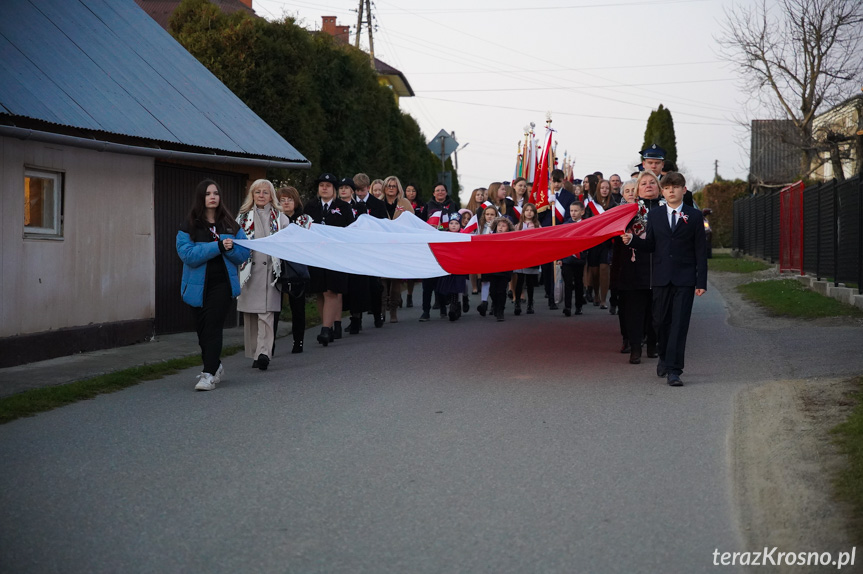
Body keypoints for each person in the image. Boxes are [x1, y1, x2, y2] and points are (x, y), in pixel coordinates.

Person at [622, 171, 707, 386]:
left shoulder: (695, 217)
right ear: (663, 191)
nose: (671, 191)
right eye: (667, 188)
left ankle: (674, 369)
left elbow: (700, 252)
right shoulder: (656, 215)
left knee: (679, 324)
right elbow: (650, 244)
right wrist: (632, 240)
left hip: (685, 279)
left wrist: (701, 282)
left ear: (683, 190)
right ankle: (663, 355)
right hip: (660, 277)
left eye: (675, 187)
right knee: (660, 322)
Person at [177, 179, 250, 391]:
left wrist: (230, 250)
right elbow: (188, 255)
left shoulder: (231, 225)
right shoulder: (189, 225)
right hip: (197, 287)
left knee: (212, 327)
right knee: (202, 331)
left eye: (216, 193)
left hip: (223, 285)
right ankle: (215, 366)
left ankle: (208, 373)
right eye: (208, 193)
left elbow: (243, 254)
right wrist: (217, 246)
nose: (213, 197)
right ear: (201, 197)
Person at [236, 179, 289, 370]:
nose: (261, 195)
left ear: (271, 196)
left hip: (270, 272)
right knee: (251, 315)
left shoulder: (280, 217)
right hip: (249, 272)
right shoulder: (242, 217)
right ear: (252, 194)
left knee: (266, 314)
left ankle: (264, 352)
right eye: (257, 192)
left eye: (265, 192)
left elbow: (288, 239)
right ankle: (255, 353)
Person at [304, 173, 355, 345]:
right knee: (320, 291)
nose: (324, 188)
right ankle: (328, 325)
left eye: (328, 185)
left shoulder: (343, 207)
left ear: (334, 189)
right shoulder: (310, 207)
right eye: (321, 185)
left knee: (331, 291)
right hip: (316, 255)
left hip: (336, 255)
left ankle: (325, 330)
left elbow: (350, 231)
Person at [275, 186, 309, 354]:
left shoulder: (304, 219)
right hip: (276, 267)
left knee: (298, 306)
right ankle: (269, 345)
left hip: (296, 268)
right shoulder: (273, 219)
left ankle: (298, 341)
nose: (286, 202)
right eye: (282, 200)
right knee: (274, 307)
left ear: (296, 202)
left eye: (289, 199)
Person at [419, 182, 459, 321]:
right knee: (427, 283)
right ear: (433, 193)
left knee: (442, 281)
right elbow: (421, 224)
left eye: (443, 190)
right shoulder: (428, 206)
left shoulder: (452, 205)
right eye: (437, 190)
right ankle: (425, 311)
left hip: (446, 247)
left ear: (446, 192)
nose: (440, 192)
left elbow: (458, 223)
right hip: (430, 247)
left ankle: (443, 308)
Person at [353, 173, 387, 328]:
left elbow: (382, 225)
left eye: (362, 190)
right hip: (355, 250)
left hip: (372, 249)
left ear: (368, 188)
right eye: (357, 190)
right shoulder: (349, 204)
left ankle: (377, 314)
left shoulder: (377, 204)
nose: (359, 193)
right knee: (356, 285)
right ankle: (356, 318)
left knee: (374, 284)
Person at [380, 175, 414, 322]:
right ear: (384, 188)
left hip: (398, 247)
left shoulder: (404, 203)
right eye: (389, 186)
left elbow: (412, 222)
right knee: (381, 280)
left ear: (398, 188)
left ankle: (393, 310)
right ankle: (381, 311)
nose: (391, 188)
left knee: (395, 280)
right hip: (381, 247)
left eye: (394, 186)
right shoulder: (378, 203)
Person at [540, 169, 575, 308]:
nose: (556, 184)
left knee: (561, 267)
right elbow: (539, 217)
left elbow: (569, 217)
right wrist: (547, 206)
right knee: (548, 267)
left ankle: (561, 297)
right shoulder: (545, 196)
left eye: (558, 181)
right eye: (553, 181)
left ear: (563, 181)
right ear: (550, 181)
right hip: (547, 235)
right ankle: (549, 294)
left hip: (561, 235)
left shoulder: (569, 196)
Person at [436, 217, 469, 321]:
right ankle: (453, 306)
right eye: (451, 223)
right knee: (445, 290)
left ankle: (453, 310)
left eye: (456, 223)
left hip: (459, 267)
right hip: (447, 267)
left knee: (456, 289)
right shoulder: (443, 236)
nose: (454, 225)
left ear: (460, 225)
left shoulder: (464, 236)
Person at [513, 203, 541, 315]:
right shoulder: (518, 226)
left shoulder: (538, 225)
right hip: (520, 256)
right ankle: (517, 302)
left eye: (531, 210)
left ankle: (530, 303)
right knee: (519, 280)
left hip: (532, 256)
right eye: (527, 210)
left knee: (530, 282)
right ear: (523, 212)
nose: (529, 212)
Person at [560, 202, 587, 316]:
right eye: (571, 211)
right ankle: (567, 307)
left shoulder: (586, 224)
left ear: (582, 212)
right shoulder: (566, 225)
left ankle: (579, 306)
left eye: (576, 211)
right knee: (568, 284)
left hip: (579, 259)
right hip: (567, 259)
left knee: (579, 283)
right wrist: (560, 258)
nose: (573, 213)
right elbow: (561, 243)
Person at [472, 205, 498, 318]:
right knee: (485, 280)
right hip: (484, 257)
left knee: (495, 282)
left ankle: (494, 304)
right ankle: (484, 302)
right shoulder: (480, 227)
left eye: (492, 214)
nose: (489, 216)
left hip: (496, 257)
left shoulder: (499, 227)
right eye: (487, 214)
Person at [488, 217, 515, 321]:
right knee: (493, 291)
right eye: (499, 225)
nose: (500, 228)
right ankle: (495, 305)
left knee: (501, 290)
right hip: (493, 268)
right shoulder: (490, 237)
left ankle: (500, 311)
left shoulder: (511, 239)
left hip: (505, 268)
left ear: (508, 228)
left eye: (503, 226)